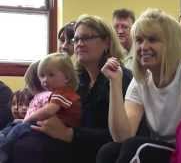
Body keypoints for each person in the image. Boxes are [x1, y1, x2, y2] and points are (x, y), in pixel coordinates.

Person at [11, 15, 132, 163]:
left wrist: (70, 133)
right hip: (70, 143)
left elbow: (119, 136)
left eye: (86, 38)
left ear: (106, 42)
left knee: (27, 146)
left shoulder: (120, 77)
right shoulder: (77, 78)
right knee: (18, 137)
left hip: (97, 150)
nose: (79, 44)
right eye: (77, 39)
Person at [96, 8, 181, 163]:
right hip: (162, 148)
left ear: (170, 43)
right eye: (139, 40)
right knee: (108, 151)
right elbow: (122, 136)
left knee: (137, 147)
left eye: (152, 40)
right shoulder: (141, 80)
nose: (143, 47)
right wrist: (115, 82)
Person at [0, 53, 80, 163]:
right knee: (14, 124)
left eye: (51, 75)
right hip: (50, 125)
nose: (45, 80)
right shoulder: (57, 93)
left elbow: (48, 111)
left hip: (56, 129)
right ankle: (3, 137)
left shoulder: (64, 94)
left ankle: (3, 150)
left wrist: (28, 119)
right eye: (42, 76)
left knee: (20, 128)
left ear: (67, 78)